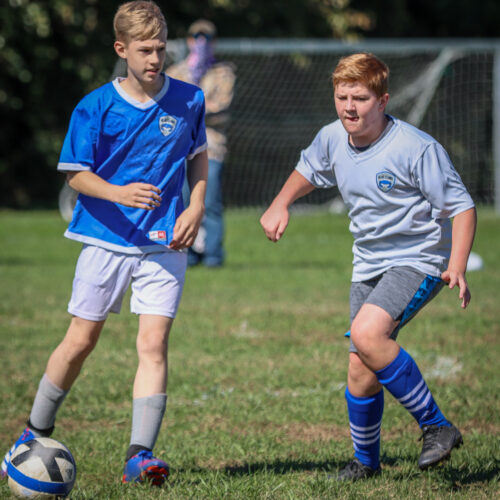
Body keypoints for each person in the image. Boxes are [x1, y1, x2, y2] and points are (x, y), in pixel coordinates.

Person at [1, 0, 208, 487]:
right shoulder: (94, 106)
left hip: (164, 242)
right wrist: (118, 193)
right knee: (81, 341)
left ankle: (140, 457)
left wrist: (195, 207)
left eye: (160, 48)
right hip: (104, 239)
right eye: (144, 50)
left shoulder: (190, 99)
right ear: (121, 49)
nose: (155, 58)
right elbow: (75, 175)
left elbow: (198, 156)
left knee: (153, 344)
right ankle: (33, 432)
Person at [260, 53, 476, 481]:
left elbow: (462, 206)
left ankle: (437, 426)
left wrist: (457, 265)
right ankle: (366, 463)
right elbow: (309, 168)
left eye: (360, 98)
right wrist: (280, 203)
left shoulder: (415, 148)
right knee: (361, 366)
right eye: (342, 97)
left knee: (367, 334)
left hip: (419, 258)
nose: (349, 107)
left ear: (383, 100)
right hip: (368, 263)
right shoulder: (332, 137)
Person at [166, 19, 236, 267]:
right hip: (180, 149)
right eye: (197, 37)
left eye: (206, 38)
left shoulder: (223, 72)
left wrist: (189, 106)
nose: (201, 42)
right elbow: (167, 106)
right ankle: (188, 252)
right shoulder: (175, 72)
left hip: (211, 148)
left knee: (210, 201)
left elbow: (221, 106)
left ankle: (214, 255)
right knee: (183, 201)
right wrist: (198, 105)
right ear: (189, 40)